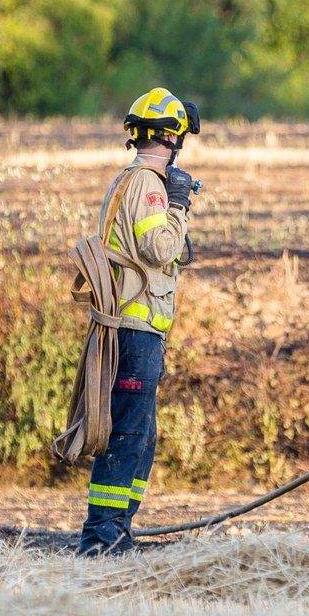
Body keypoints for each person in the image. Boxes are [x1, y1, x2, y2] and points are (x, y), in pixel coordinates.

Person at [77, 88, 200, 556]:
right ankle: (104, 536)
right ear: (174, 138)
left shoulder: (126, 180)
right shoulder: (149, 185)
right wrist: (178, 206)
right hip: (137, 330)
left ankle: (118, 530)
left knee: (141, 435)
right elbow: (161, 250)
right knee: (129, 433)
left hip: (132, 330)